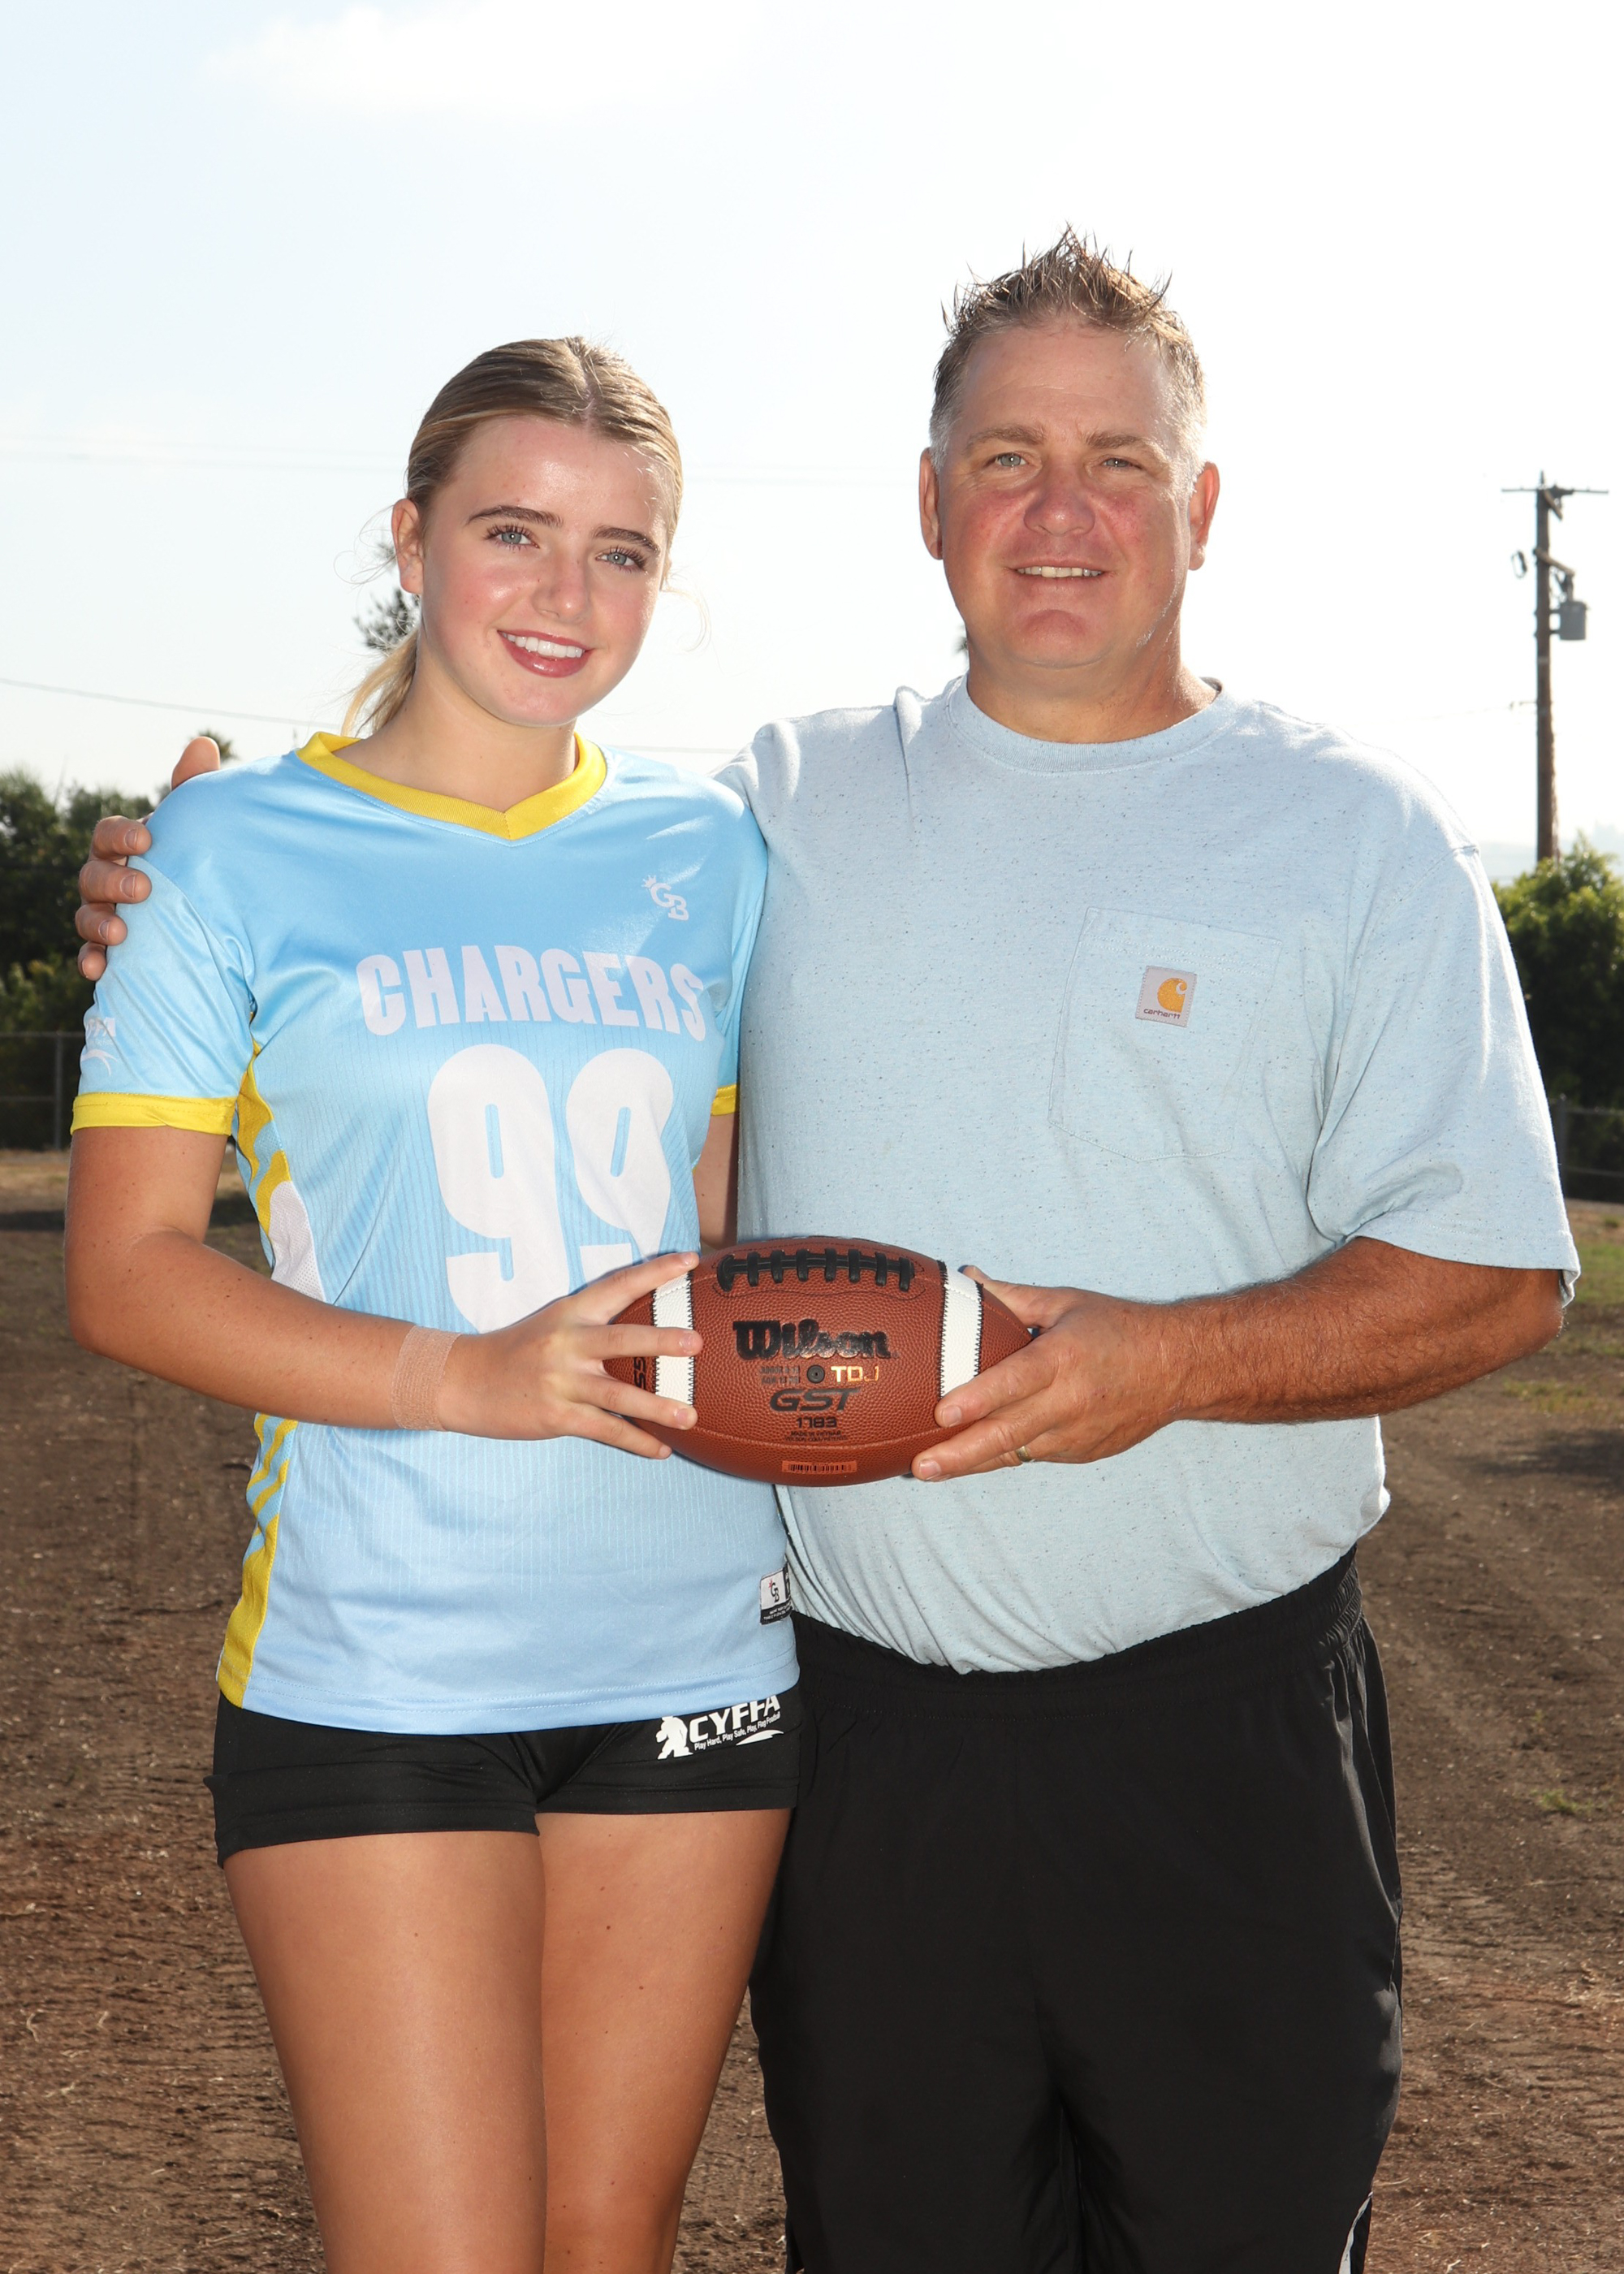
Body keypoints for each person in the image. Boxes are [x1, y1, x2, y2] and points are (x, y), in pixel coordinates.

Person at [78, 235, 1576, 2274]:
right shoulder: (778, 806)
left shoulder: (1345, 834)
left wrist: (1163, 1358)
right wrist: (175, 871)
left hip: (1193, 1727)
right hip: (861, 1730)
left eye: (1119, 462)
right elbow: (439, 839)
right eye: (1008, 458)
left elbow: (1498, 1274)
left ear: (1202, 504)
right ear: (930, 500)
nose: (1060, 512)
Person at [65, 338, 801, 2274]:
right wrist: (467, 1377)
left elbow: (721, 1233)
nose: (567, 595)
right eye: (512, 532)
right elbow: (126, 1273)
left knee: (605, 2236)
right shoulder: (223, 848)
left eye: (622, 552)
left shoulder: (711, 852)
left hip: (694, 1647)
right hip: (378, 1667)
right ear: (408, 539)